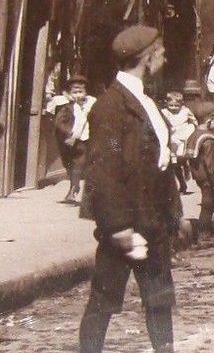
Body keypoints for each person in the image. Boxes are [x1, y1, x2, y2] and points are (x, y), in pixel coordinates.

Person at [79, 25, 180, 353]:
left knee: (159, 301)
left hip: (153, 221)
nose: (165, 58)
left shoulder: (145, 100)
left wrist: (172, 216)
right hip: (124, 224)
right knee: (104, 302)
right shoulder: (110, 107)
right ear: (147, 58)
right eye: (162, 53)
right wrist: (118, 227)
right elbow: (103, 172)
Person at [45, 74, 96, 204]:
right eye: (75, 92)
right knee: (70, 164)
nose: (78, 95)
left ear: (86, 92)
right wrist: (68, 132)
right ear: (69, 93)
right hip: (71, 139)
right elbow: (60, 122)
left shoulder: (91, 103)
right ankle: (74, 185)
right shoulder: (66, 106)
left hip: (86, 138)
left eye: (81, 92)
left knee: (78, 163)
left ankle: (74, 189)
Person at [183, 99, 214, 239]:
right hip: (209, 179)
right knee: (208, 205)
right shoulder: (208, 140)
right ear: (209, 120)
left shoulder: (194, 135)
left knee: (209, 203)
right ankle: (204, 234)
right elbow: (211, 164)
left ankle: (206, 228)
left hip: (200, 177)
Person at [161, 91, 197, 195]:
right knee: (174, 163)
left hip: (183, 137)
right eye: (171, 105)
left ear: (182, 104)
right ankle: (182, 184)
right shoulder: (164, 112)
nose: (173, 108)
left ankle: (186, 165)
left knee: (182, 157)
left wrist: (194, 129)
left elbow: (194, 121)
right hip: (172, 139)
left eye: (176, 106)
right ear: (166, 103)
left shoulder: (185, 111)